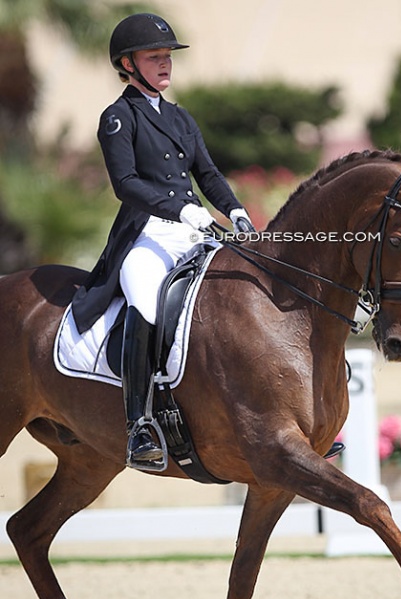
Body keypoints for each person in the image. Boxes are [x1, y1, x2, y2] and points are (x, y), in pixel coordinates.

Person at [71, 13, 253, 466]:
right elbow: (126, 183)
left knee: (240, 293)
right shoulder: (118, 117)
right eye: (155, 57)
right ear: (128, 65)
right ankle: (138, 426)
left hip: (193, 233)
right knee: (146, 302)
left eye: (168, 56)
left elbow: (207, 173)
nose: (165, 64)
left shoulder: (180, 117)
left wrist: (235, 210)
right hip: (147, 235)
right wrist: (183, 210)